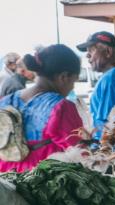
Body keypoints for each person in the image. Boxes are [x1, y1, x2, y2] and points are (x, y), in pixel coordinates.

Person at [0, 45, 83, 173]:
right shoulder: (61, 107)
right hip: (40, 182)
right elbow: (78, 150)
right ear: (64, 77)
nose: (72, 88)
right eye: (73, 82)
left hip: (6, 178)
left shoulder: (6, 101)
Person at [76, 32, 115, 136]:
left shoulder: (110, 79)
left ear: (108, 52)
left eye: (92, 50)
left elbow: (108, 126)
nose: (87, 55)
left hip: (111, 148)